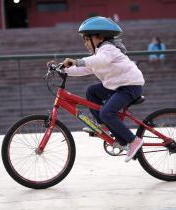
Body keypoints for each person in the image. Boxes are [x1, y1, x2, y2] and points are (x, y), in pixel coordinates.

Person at [49, 16, 145, 162]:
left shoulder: (108, 48)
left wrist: (77, 61)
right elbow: (85, 69)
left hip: (130, 86)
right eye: (85, 40)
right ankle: (104, 126)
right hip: (116, 86)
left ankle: (133, 141)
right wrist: (62, 70)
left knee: (107, 112)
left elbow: (98, 61)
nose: (86, 44)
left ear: (99, 37)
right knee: (92, 91)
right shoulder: (99, 53)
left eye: (88, 39)